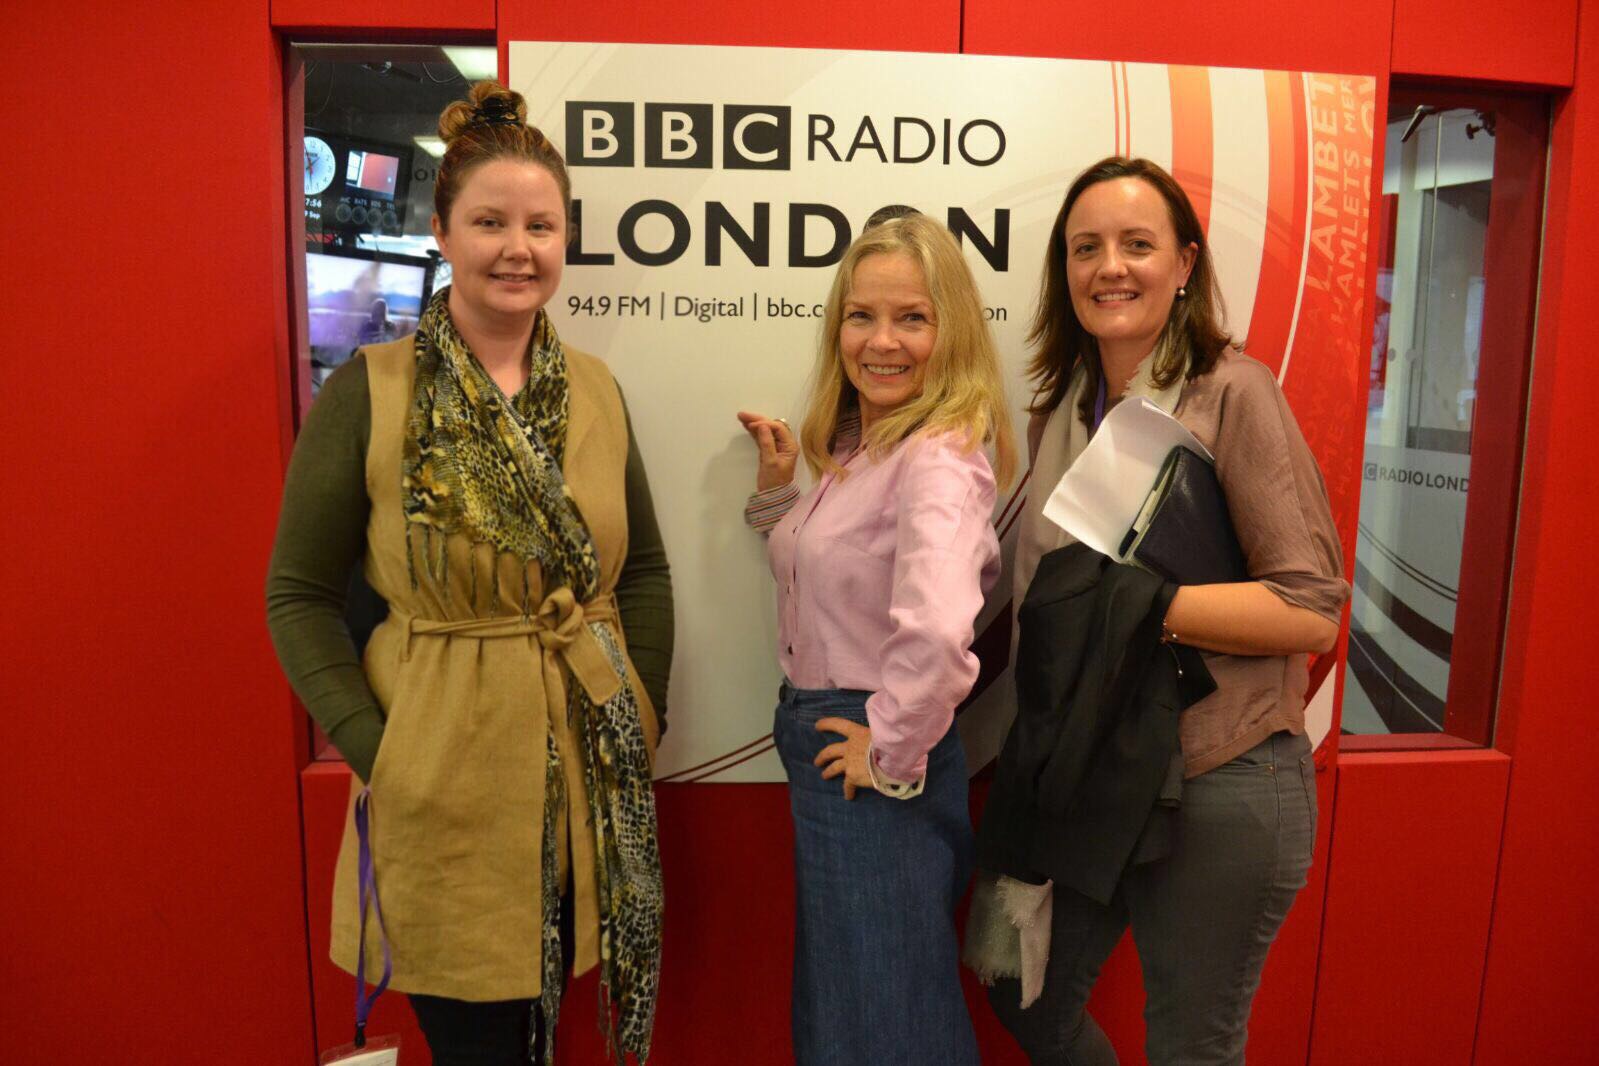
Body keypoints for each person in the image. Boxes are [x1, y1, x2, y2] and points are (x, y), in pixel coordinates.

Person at [266, 80, 672, 1066]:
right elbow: (299, 595)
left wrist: (638, 716)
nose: (518, 246)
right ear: (442, 231)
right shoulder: (373, 391)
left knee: (545, 1037)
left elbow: (646, 570)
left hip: (585, 778)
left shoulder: (598, 391)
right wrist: (382, 748)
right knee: (477, 1049)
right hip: (442, 780)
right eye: (490, 220)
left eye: (542, 224)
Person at [976, 156, 1349, 1065]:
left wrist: (1140, 607)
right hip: (1090, 766)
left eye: (1136, 245)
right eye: (1085, 248)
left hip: (1219, 773)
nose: (1110, 266)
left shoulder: (1232, 392)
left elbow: (1309, 611)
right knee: (1011, 981)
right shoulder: (1060, 409)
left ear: (1183, 264)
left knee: (1191, 1046)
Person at [738, 212, 1017, 1065]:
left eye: (911, 318)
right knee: (851, 1008)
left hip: (868, 752)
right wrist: (779, 493)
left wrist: (889, 753)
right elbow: (822, 575)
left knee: (888, 1023)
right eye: (860, 316)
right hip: (832, 741)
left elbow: (936, 633)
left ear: (951, 331)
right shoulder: (865, 450)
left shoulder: (936, 455)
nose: (881, 341)